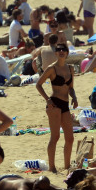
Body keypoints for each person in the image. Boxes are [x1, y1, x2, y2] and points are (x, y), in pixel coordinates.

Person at [36, 43, 78, 172]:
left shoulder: (70, 68)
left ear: (67, 53)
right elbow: (38, 85)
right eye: (58, 50)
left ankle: (66, 166)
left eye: (63, 50)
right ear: (55, 53)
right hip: (54, 103)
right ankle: (52, 167)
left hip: (65, 104)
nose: (61, 51)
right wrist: (47, 100)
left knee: (70, 138)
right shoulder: (51, 68)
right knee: (55, 137)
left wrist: (74, 97)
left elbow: (70, 88)